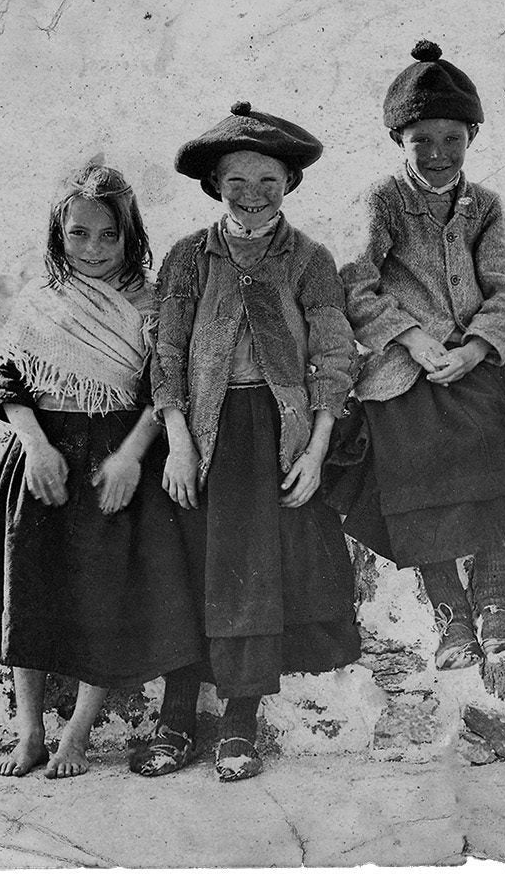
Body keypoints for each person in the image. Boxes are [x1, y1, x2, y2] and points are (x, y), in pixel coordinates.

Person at [0, 164, 203, 779]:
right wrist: (36, 446)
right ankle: (31, 731)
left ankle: (78, 734)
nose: (92, 249)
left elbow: (162, 388)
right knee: (28, 586)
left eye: (108, 235)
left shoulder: (151, 305)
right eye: (78, 234)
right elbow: (9, 385)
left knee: (104, 594)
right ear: (58, 235)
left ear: (131, 235)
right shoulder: (42, 301)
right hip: (44, 458)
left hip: (116, 457)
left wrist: (130, 456)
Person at [146, 102, 361, 782]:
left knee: (254, 577)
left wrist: (316, 448)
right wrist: (178, 441)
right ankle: (175, 718)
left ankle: (240, 722)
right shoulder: (187, 257)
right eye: (237, 181)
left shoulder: (310, 259)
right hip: (198, 437)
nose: (252, 196)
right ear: (214, 185)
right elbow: (168, 357)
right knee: (188, 572)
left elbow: (334, 358)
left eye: (268, 181)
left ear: (289, 185)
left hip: (273, 437)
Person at [335, 41, 505, 699]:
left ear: (471, 136)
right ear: (399, 139)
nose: (439, 152)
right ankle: (450, 610)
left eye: (452, 138)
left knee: (495, 446)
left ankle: (497, 599)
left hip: (470, 362)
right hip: (402, 366)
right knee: (413, 470)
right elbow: (355, 285)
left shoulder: (485, 206)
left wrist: (476, 349)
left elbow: (504, 289)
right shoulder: (382, 200)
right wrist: (413, 341)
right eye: (423, 140)